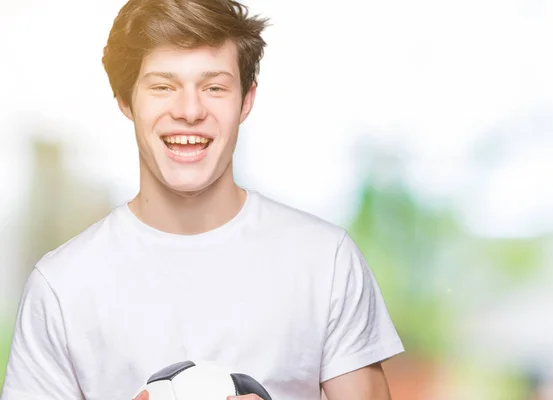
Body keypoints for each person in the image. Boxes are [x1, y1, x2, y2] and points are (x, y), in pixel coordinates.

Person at [0, 1, 404, 399]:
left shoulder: (326, 262)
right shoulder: (61, 287)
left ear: (246, 100)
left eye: (214, 87)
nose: (190, 111)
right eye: (162, 87)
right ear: (125, 101)